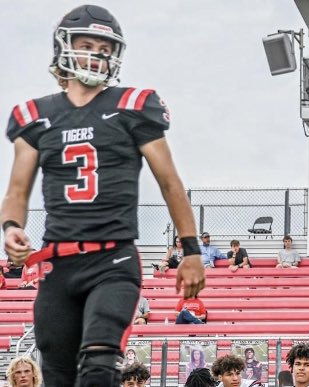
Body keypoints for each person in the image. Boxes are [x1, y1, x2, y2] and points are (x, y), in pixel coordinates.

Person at [1, 5, 205, 385]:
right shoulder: (36, 115)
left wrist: (191, 251)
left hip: (113, 259)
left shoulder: (133, 106)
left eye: (104, 47)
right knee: (59, 375)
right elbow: (16, 189)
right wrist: (11, 226)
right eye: (87, 44)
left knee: (98, 366)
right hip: (57, 265)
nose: (97, 53)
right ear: (64, 47)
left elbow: (170, 182)